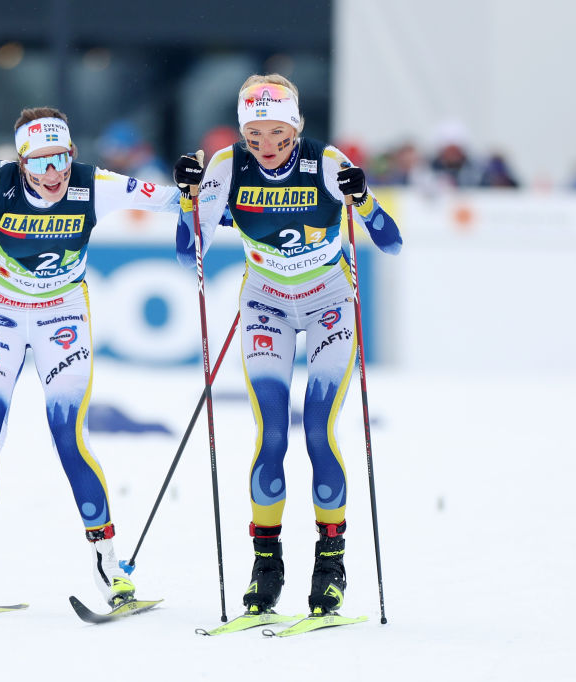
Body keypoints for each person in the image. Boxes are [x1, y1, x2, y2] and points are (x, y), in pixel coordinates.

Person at [0, 106, 182, 608]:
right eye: (41, 163)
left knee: (68, 435)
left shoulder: (96, 184)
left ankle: (110, 567)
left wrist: (197, 184)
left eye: (62, 159)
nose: (55, 175)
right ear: (22, 162)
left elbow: (180, 201)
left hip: (61, 313)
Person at [172, 74, 402, 617]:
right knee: (271, 432)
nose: (267, 147)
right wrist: (188, 198)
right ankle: (266, 567)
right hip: (265, 305)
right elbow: (190, 253)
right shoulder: (226, 168)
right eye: (254, 135)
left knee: (319, 431)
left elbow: (390, 242)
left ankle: (330, 565)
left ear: (296, 125)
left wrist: (363, 200)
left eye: (277, 133)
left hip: (328, 303)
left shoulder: (324, 161)